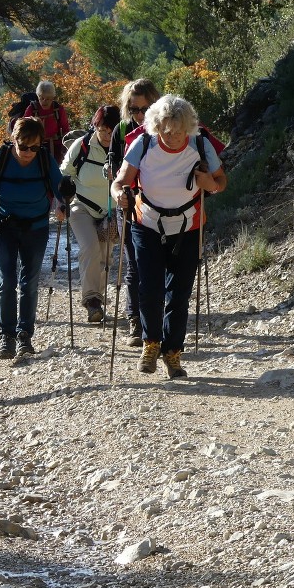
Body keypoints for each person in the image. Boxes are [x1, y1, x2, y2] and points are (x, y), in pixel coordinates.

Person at [109, 95, 226, 379]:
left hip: (188, 227)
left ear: (188, 127)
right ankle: (151, 344)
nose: (172, 136)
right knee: (149, 288)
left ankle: (173, 353)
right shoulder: (143, 144)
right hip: (146, 223)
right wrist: (119, 196)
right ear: (156, 126)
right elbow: (120, 182)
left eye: (178, 130)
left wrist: (206, 182)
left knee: (180, 292)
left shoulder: (200, 144)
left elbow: (220, 183)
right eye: (166, 130)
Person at [0, 117, 73, 359]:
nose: (28, 152)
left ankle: (24, 336)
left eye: (34, 147)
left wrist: (64, 202)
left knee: (29, 282)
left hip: (37, 227)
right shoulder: (0, 158)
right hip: (6, 226)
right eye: (23, 146)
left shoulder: (44, 158)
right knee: (6, 281)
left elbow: (59, 188)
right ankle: (6, 336)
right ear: (14, 140)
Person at [107, 79, 162, 348]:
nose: (139, 115)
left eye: (145, 108)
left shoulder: (167, 128)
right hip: (130, 206)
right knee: (134, 266)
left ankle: (156, 321)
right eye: (134, 109)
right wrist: (119, 194)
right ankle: (135, 322)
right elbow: (114, 170)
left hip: (161, 207)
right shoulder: (122, 130)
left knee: (158, 265)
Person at [58, 105, 120, 323]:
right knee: (90, 247)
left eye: (109, 131)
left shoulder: (123, 146)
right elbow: (64, 174)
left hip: (110, 211)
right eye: (101, 130)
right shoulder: (83, 145)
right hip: (80, 206)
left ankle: (98, 298)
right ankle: (91, 300)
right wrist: (61, 200)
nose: (104, 135)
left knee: (104, 256)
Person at [23, 80, 70, 164]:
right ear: (38, 97)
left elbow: (66, 129)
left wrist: (66, 147)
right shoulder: (32, 109)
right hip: (35, 148)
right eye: (42, 98)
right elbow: (23, 128)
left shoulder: (58, 109)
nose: (44, 101)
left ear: (53, 98)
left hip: (56, 148)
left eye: (48, 99)